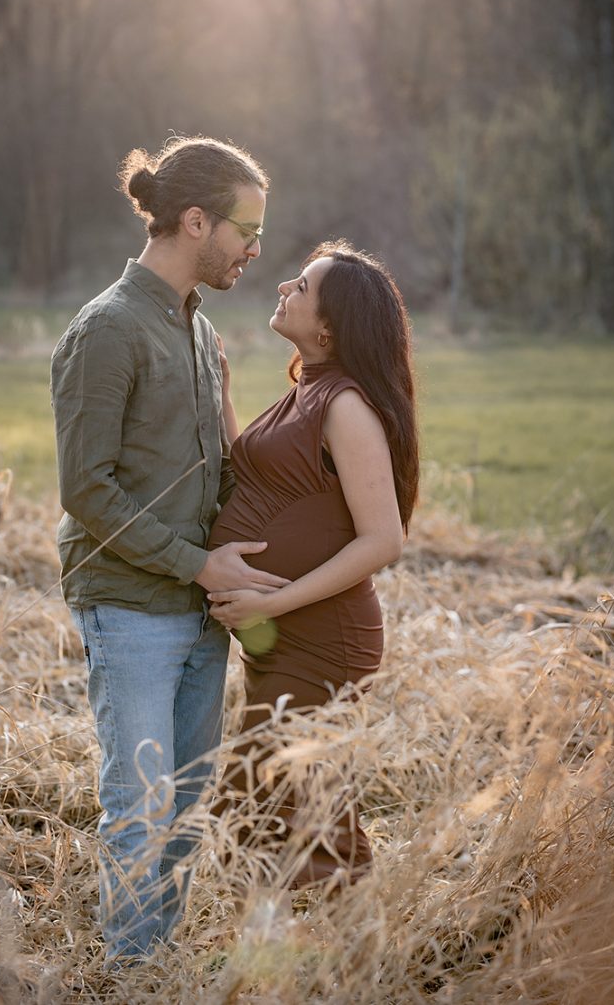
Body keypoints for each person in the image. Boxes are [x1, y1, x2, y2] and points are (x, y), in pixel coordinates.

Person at [50, 135, 290, 965]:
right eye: (245, 230)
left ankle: (157, 962)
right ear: (195, 221)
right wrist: (197, 564)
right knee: (140, 806)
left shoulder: (199, 330)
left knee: (185, 805)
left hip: (201, 612)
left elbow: (216, 467)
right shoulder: (107, 330)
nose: (256, 249)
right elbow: (87, 489)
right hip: (130, 608)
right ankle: (127, 971)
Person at [207, 240, 419, 889]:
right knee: (272, 799)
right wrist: (220, 391)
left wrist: (269, 601)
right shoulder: (307, 390)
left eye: (300, 286)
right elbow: (249, 477)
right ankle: (290, 947)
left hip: (323, 640)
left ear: (328, 325)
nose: (281, 290)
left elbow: (383, 540)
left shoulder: (345, 406)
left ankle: (354, 954)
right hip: (285, 637)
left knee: (293, 806)